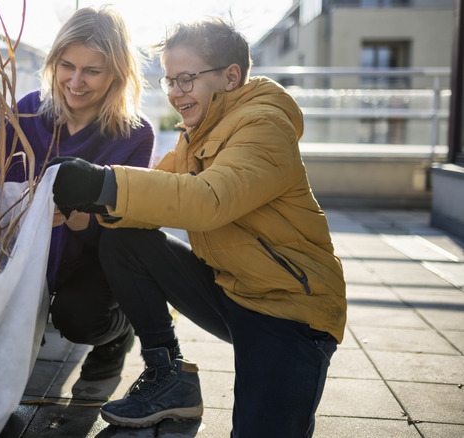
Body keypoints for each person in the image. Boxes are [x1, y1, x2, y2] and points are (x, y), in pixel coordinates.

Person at [49, 17, 346, 437]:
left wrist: (102, 181)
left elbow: (208, 200)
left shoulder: (264, 125)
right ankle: (169, 376)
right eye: (170, 81)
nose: (174, 93)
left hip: (289, 313)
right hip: (230, 293)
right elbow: (148, 200)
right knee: (124, 239)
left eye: (186, 80)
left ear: (230, 76)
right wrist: (87, 203)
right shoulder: (195, 134)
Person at [0, 7, 154, 380]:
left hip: (91, 261)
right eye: (66, 65)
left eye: (92, 71)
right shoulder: (28, 113)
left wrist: (73, 214)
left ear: (116, 74)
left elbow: (124, 229)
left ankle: (119, 336)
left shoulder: (135, 134)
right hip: (25, 256)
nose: (75, 81)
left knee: (80, 319)